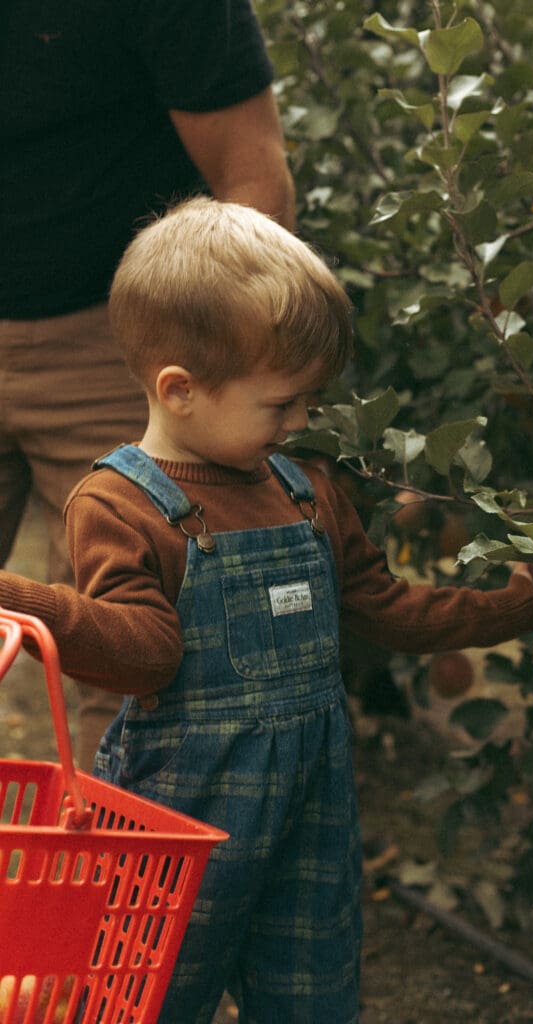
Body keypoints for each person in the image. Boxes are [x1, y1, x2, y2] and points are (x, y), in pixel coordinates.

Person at [0, 199, 533, 1023]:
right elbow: (144, 652)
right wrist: (18, 598)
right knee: (151, 991)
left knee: (311, 994)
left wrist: (514, 600)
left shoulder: (303, 490)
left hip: (311, 807)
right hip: (185, 819)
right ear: (180, 391)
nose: (300, 421)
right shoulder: (120, 505)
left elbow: (386, 606)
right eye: (281, 404)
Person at [0, 0, 295, 769]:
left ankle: (120, 886)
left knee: (142, 671)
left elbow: (250, 175)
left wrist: (238, 382)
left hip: (119, 343)